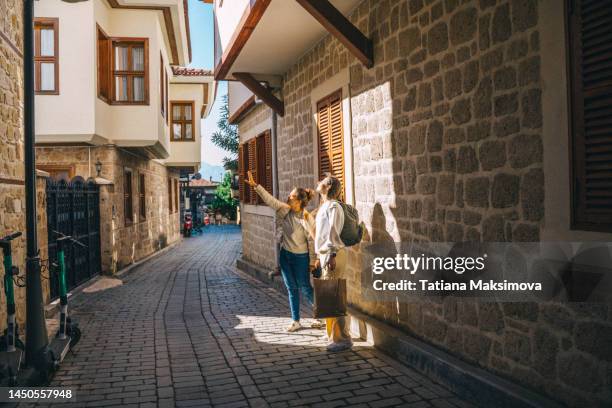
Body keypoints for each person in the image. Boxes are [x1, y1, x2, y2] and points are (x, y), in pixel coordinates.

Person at [245, 171, 322, 332]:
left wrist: (313, 261)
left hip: (301, 258)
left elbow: (313, 240)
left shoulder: (307, 218)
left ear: (300, 201)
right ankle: (296, 321)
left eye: (292, 196)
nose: (289, 197)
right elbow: (270, 200)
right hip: (286, 256)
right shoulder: (284, 210)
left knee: (305, 287)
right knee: (291, 288)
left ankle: (321, 315)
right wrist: (256, 186)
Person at [315, 174, 352, 352]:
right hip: (326, 254)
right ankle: (332, 334)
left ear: (328, 186)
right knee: (328, 296)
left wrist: (331, 254)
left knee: (335, 296)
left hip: (333, 254)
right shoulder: (325, 206)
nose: (318, 183)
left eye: (321, 182)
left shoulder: (334, 207)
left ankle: (343, 339)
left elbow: (333, 233)